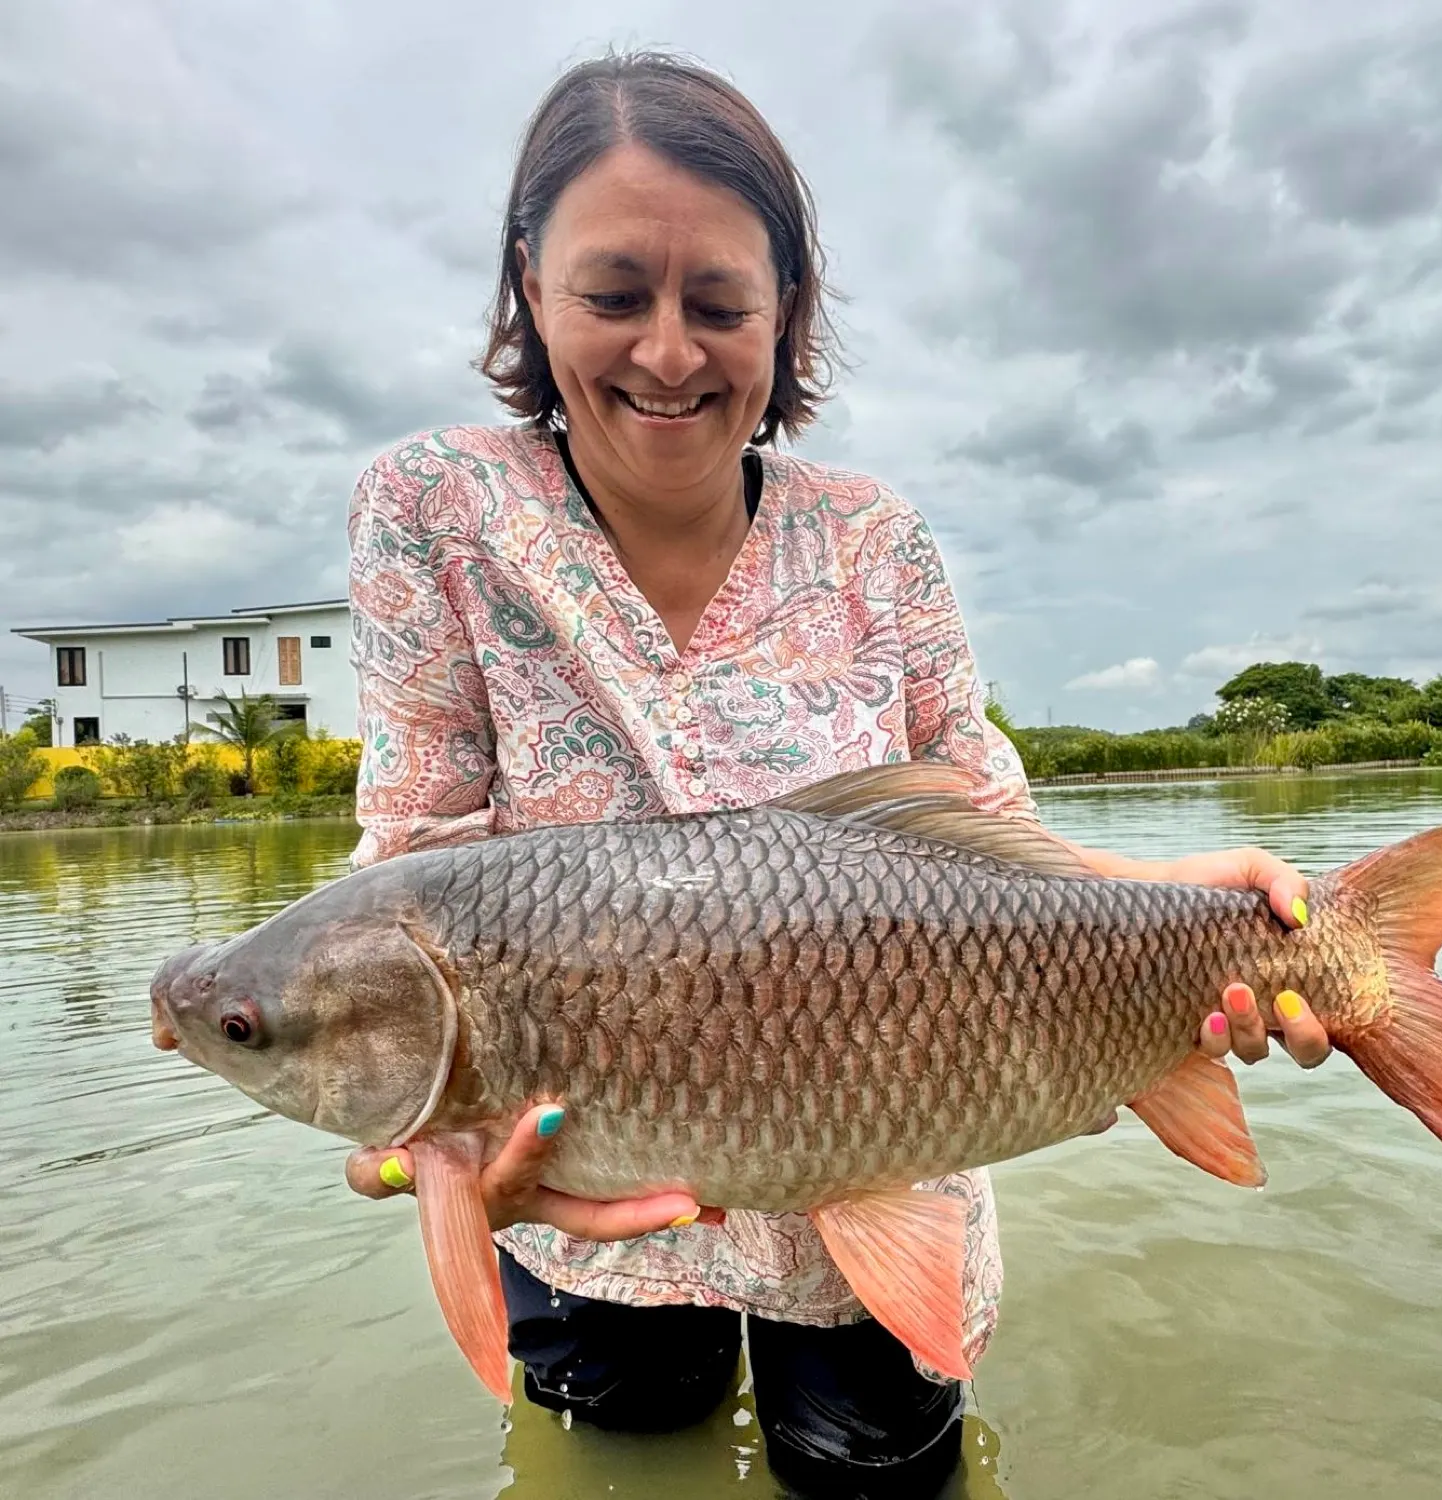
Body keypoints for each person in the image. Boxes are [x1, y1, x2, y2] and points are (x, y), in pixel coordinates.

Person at [340, 51, 1333, 1499]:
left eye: (721, 303)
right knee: (620, 1441)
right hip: (587, 1192)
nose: (670, 352)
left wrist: (1187, 908)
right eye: (615, 295)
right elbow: (409, 870)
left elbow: (994, 838)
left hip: (890, 1139)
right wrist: (405, 1147)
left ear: (787, 310)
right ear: (530, 283)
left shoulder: (880, 540)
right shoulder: (430, 511)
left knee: (878, 1469)